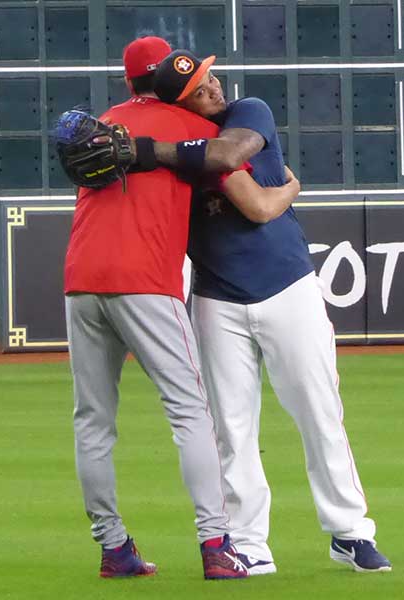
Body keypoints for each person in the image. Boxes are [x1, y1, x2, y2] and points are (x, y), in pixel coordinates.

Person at [133, 49, 392, 574]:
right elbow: (249, 199)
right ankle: (247, 542)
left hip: (287, 285)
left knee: (320, 411)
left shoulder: (248, 111)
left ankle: (349, 531)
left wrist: (149, 150)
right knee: (231, 428)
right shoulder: (181, 145)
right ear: (182, 103)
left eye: (210, 77)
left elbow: (230, 159)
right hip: (215, 297)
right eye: (199, 88)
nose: (213, 88)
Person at [64, 36, 298, 580]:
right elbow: (253, 197)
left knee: (92, 420)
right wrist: (290, 188)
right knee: (190, 412)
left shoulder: (102, 123)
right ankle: (217, 545)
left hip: (80, 277)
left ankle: (113, 547)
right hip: (145, 280)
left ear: (128, 83)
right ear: (175, 80)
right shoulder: (196, 128)